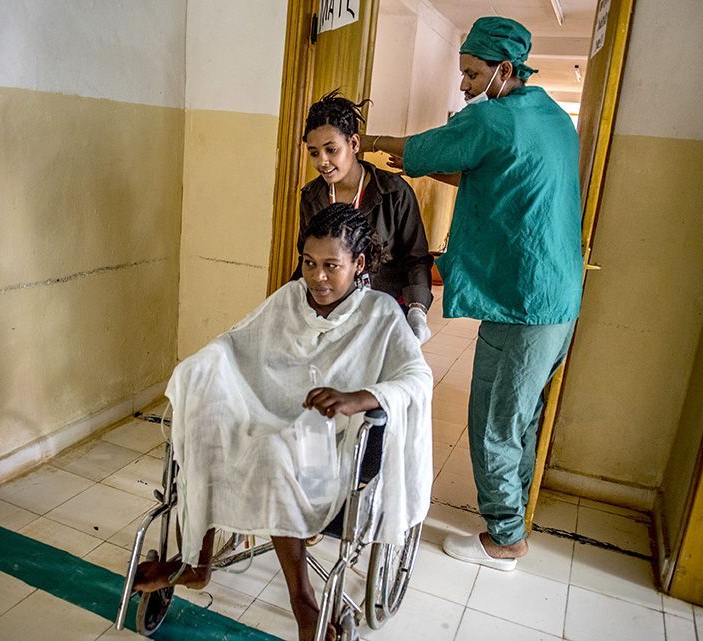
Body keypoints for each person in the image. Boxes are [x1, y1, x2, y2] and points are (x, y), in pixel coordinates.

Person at [134, 203, 433, 641]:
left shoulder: (381, 314)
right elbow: (235, 344)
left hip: (331, 447)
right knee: (213, 421)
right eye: (309, 263)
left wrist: (358, 397)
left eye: (332, 266)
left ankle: (303, 601)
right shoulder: (290, 299)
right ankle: (195, 564)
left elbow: (416, 377)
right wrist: (201, 367)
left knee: (274, 451)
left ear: (359, 264)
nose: (318, 277)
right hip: (275, 421)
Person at [360, 16, 583, 571]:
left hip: (524, 304)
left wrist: (363, 142)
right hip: (556, 300)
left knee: (494, 422)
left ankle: (505, 539)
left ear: (503, 70)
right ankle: (514, 518)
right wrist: (431, 171)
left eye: (472, 72)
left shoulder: (496, 118)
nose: (463, 84)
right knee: (522, 416)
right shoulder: (551, 117)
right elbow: (494, 174)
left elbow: (428, 145)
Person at [295, 90, 434, 343]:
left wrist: (417, 312)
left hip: (385, 311)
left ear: (354, 144)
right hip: (332, 313)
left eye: (331, 149)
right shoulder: (312, 197)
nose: (322, 161)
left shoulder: (394, 193)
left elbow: (416, 259)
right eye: (314, 153)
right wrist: (289, 303)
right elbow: (305, 259)